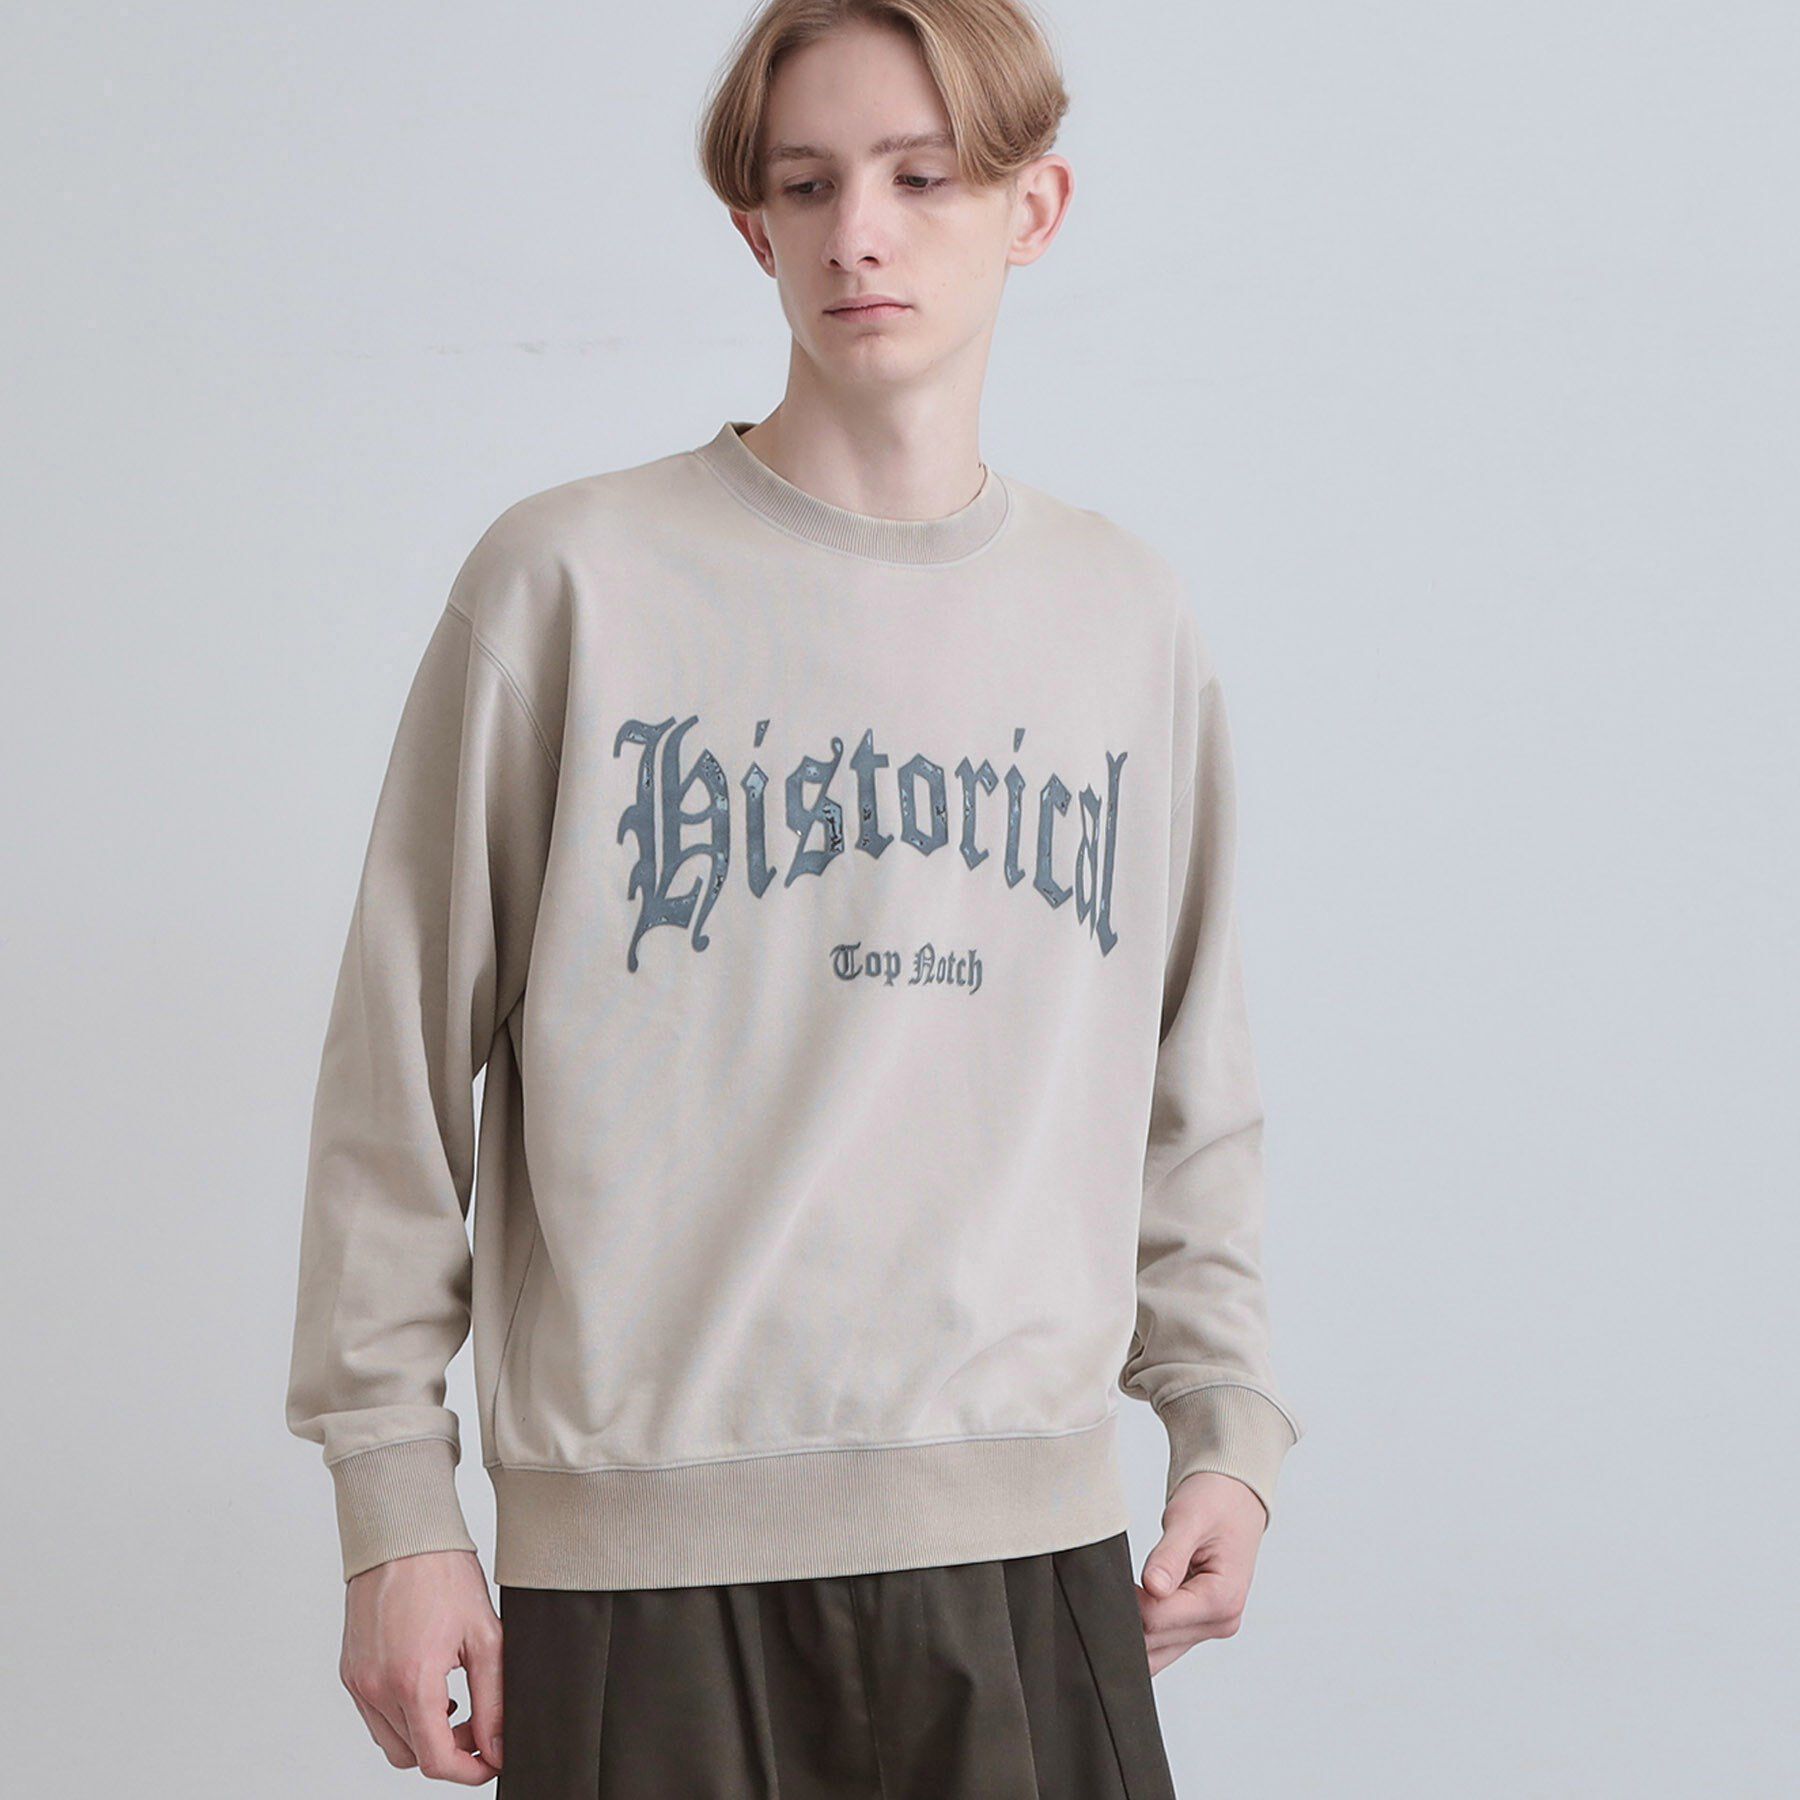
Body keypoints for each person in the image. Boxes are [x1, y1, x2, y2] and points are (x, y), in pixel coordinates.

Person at [284, 0, 1304, 1790]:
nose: (860, 234)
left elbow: (1188, 1079)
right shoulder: (569, 584)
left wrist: (1225, 1421)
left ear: (1034, 206)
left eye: (923, 177)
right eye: (809, 183)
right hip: (645, 1567)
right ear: (752, 226)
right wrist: (394, 1504)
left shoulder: (1121, 618)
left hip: (1024, 1552)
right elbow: (398, 1073)